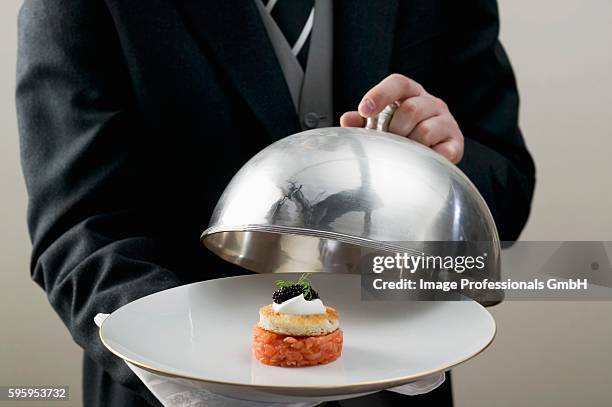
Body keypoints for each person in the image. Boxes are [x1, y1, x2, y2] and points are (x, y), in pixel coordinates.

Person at [16, 0, 535, 406]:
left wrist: (435, 174)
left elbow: (506, 186)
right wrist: (184, 360)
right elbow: (79, 228)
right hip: (168, 396)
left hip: (395, 391)